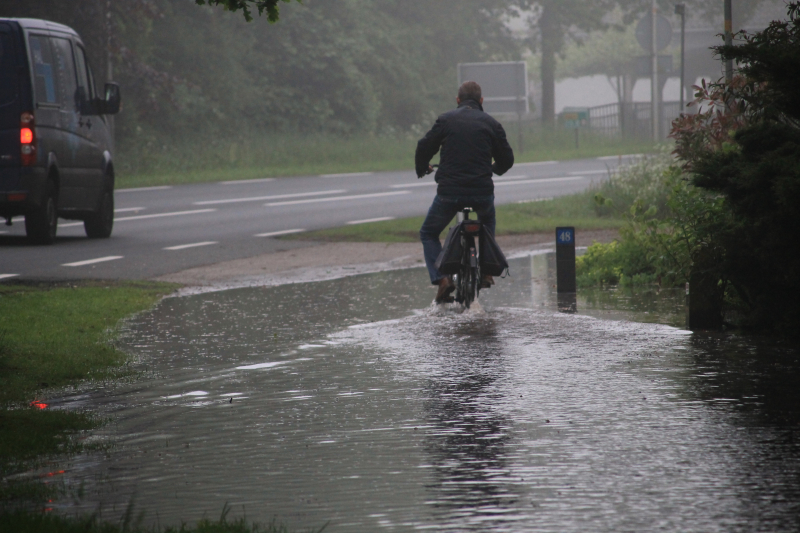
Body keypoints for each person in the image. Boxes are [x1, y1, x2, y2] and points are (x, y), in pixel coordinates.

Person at [416, 81, 515, 303]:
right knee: (487, 227)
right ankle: (487, 272)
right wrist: (493, 169)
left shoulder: (446, 120)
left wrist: (423, 167)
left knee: (428, 233)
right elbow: (507, 160)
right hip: (481, 192)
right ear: (481, 101)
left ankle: (442, 280)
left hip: (449, 194)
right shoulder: (491, 124)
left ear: (458, 100)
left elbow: (424, 146)